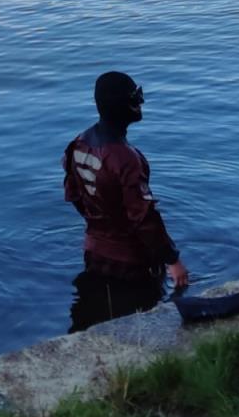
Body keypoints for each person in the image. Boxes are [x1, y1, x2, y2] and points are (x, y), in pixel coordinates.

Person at [64, 71, 188, 331]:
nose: (141, 103)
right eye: (136, 97)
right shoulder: (126, 159)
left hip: (94, 251)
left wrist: (99, 223)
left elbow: (73, 194)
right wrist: (172, 260)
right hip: (132, 262)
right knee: (141, 327)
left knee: (92, 322)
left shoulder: (78, 143)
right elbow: (144, 218)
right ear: (123, 105)